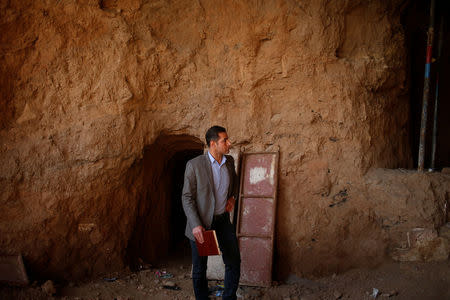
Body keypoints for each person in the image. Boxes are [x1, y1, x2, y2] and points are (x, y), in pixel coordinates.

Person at [182, 125, 241, 300]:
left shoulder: (229, 161)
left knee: (233, 262)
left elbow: (235, 183)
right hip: (202, 223)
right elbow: (187, 197)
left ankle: (229, 297)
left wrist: (232, 198)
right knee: (200, 268)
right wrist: (195, 225)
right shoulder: (194, 165)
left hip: (223, 221)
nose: (229, 143)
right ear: (213, 144)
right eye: (225, 140)